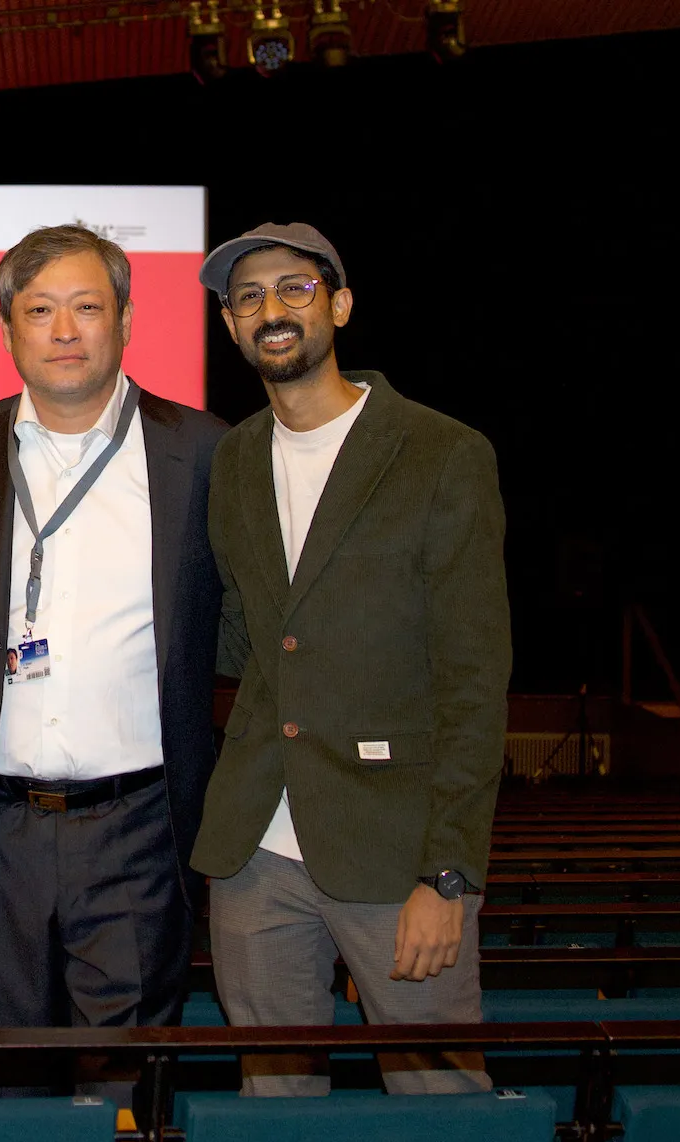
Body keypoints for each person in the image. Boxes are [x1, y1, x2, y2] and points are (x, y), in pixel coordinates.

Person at [0, 225, 228, 1097]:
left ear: (124, 319)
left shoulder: (200, 451)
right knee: (7, 1088)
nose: (63, 330)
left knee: (125, 1088)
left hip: (137, 824)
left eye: (87, 307)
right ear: (8, 327)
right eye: (39, 309)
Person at [193, 222, 510, 1095]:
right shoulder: (233, 461)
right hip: (254, 852)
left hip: (395, 851)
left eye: (294, 289)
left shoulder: (441, 453)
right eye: (248, 297)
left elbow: (474, 683)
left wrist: (447, 873)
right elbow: (244, 635)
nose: (271, 310)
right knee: (274, 1108)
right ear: (230, 325)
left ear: (338, 304)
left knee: (440, 1100)